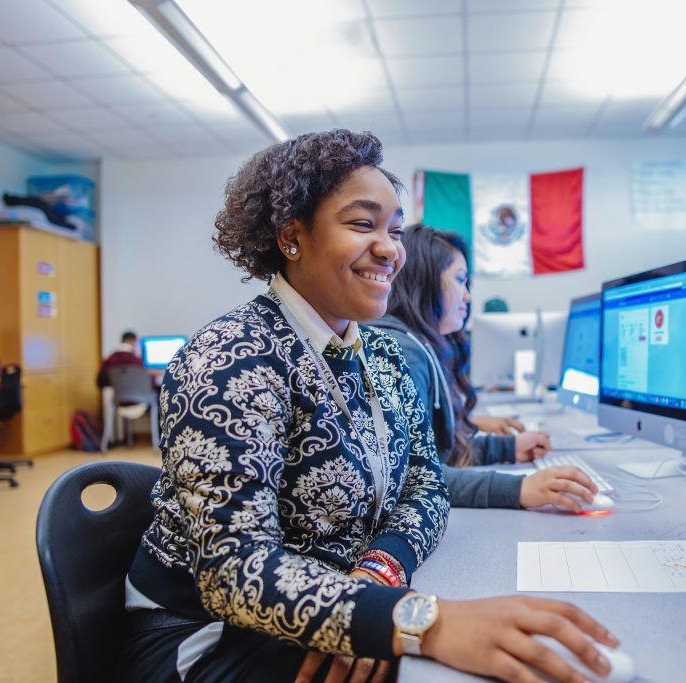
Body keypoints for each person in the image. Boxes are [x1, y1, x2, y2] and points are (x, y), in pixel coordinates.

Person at [119, 130, 619, 683]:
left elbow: (425, 486)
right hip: (210, 636)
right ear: (292, 237)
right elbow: (234, 573)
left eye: (395, 230)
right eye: (362, 224)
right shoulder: (231, 356)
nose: (390, 248)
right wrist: (417, 621)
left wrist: (378, 578)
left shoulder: (379, 351)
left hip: (337, 598)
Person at [373, 225, 598, 511]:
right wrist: (516, 489)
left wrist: (507, 448)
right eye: (459, 280)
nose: (467, 297)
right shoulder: (402, 351)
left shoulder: (420, 345)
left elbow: (435, 449)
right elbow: (411, 476)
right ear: (424, 282)